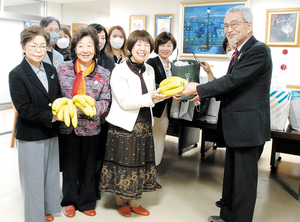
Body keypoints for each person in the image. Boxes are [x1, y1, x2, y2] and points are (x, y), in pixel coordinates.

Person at [182, 6, 272, 222]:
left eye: (235, 24)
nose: (229, 29)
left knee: (244, 184)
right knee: (232, 179)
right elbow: (231, 87)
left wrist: (198, 89)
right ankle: (227, 217)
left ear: (249, 26)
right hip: (237, 127)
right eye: (225, 25)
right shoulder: (239, 51)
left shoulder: (258, 50)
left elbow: (232, 81)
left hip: (248, 128)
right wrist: (200, 95)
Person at [100, 30, 168, 217]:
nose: (143, 48)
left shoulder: (150, 69)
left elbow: (151, 98)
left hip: (145, 125)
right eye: (138, 44)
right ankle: (121, 200)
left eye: (147, 45)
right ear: (130, 47)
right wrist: (151, 97)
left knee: (138, 165)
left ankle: (134, 200)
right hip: (124, 126)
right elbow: (124, 101)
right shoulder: (119, 70)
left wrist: (165, 95)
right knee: (124, 165)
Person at [9, 25, 61, 222]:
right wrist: (54, 116)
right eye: (33, 46)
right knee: (32, 179)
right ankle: (34, 216)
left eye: (42, 46)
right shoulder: (17, 74)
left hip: (51, 131)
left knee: (50, 174)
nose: (38, 50)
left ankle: (46, 208)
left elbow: (56, 96)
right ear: (23, 47)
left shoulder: (50, 69)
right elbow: (24, 108)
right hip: (30, 133)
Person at [57, 27, 110, 218]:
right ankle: (69, 200)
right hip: (67, 126)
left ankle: (87, 201)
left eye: (90, 45)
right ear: (75, 48)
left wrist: (92, 107)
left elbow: (106, 101)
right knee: (70, 166)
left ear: (96, 49)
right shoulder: (62, 68)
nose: (85, 50)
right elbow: (56, 96)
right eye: (81, 46)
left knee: (89, 167)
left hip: (91, 127)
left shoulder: (103, 73)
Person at [87, 23, 115, 200]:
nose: (100, 41)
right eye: (96, 37)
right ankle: (82, 184)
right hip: (83, 116)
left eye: (103, 37)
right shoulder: (75, 59)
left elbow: (111, 89)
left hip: (103, 115)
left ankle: (96, 185)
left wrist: (104, 110)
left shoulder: (108, 60)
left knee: (99, 154)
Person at [146, 31, 177, 189]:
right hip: (153, 109)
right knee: (149, 142)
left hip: (165, 110)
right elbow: (150, 86)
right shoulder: (151, 62)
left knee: (159, 142)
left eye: (169, 45)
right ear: (156, 46)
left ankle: (152, 175)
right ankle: (146, 176)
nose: (165, 48)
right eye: (162, 45)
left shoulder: (173, 65)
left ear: (173, 47)